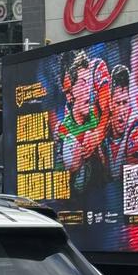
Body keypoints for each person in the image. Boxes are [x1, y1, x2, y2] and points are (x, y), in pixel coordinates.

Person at [56, 50, 111, 194]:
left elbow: (109, 108)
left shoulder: (98, 68)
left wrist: (97, 134)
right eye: (66, 92)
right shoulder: (71, 107)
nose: (69, 98)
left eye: (70, 90)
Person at [101, 65, 138, 182]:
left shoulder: (137, 129)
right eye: (117, 103)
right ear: (110, 105)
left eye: (125, 102)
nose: (122, 111)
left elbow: (135, 184)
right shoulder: (101, 129)